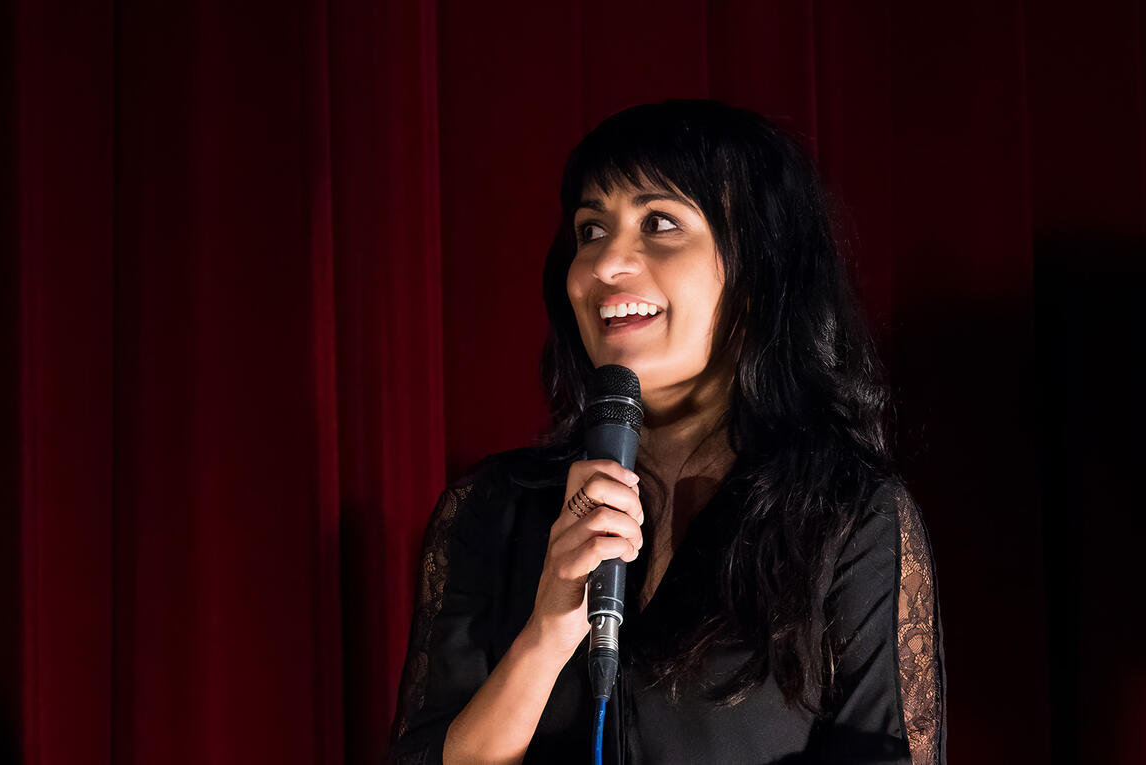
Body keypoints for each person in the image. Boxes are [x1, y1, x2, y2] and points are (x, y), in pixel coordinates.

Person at [386, 99, 945, 764]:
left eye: (658, 223)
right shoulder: (489, 509)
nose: (605, 265)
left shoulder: (848, 519)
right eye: (590, 231)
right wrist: (547, 633)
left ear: (756, 271)